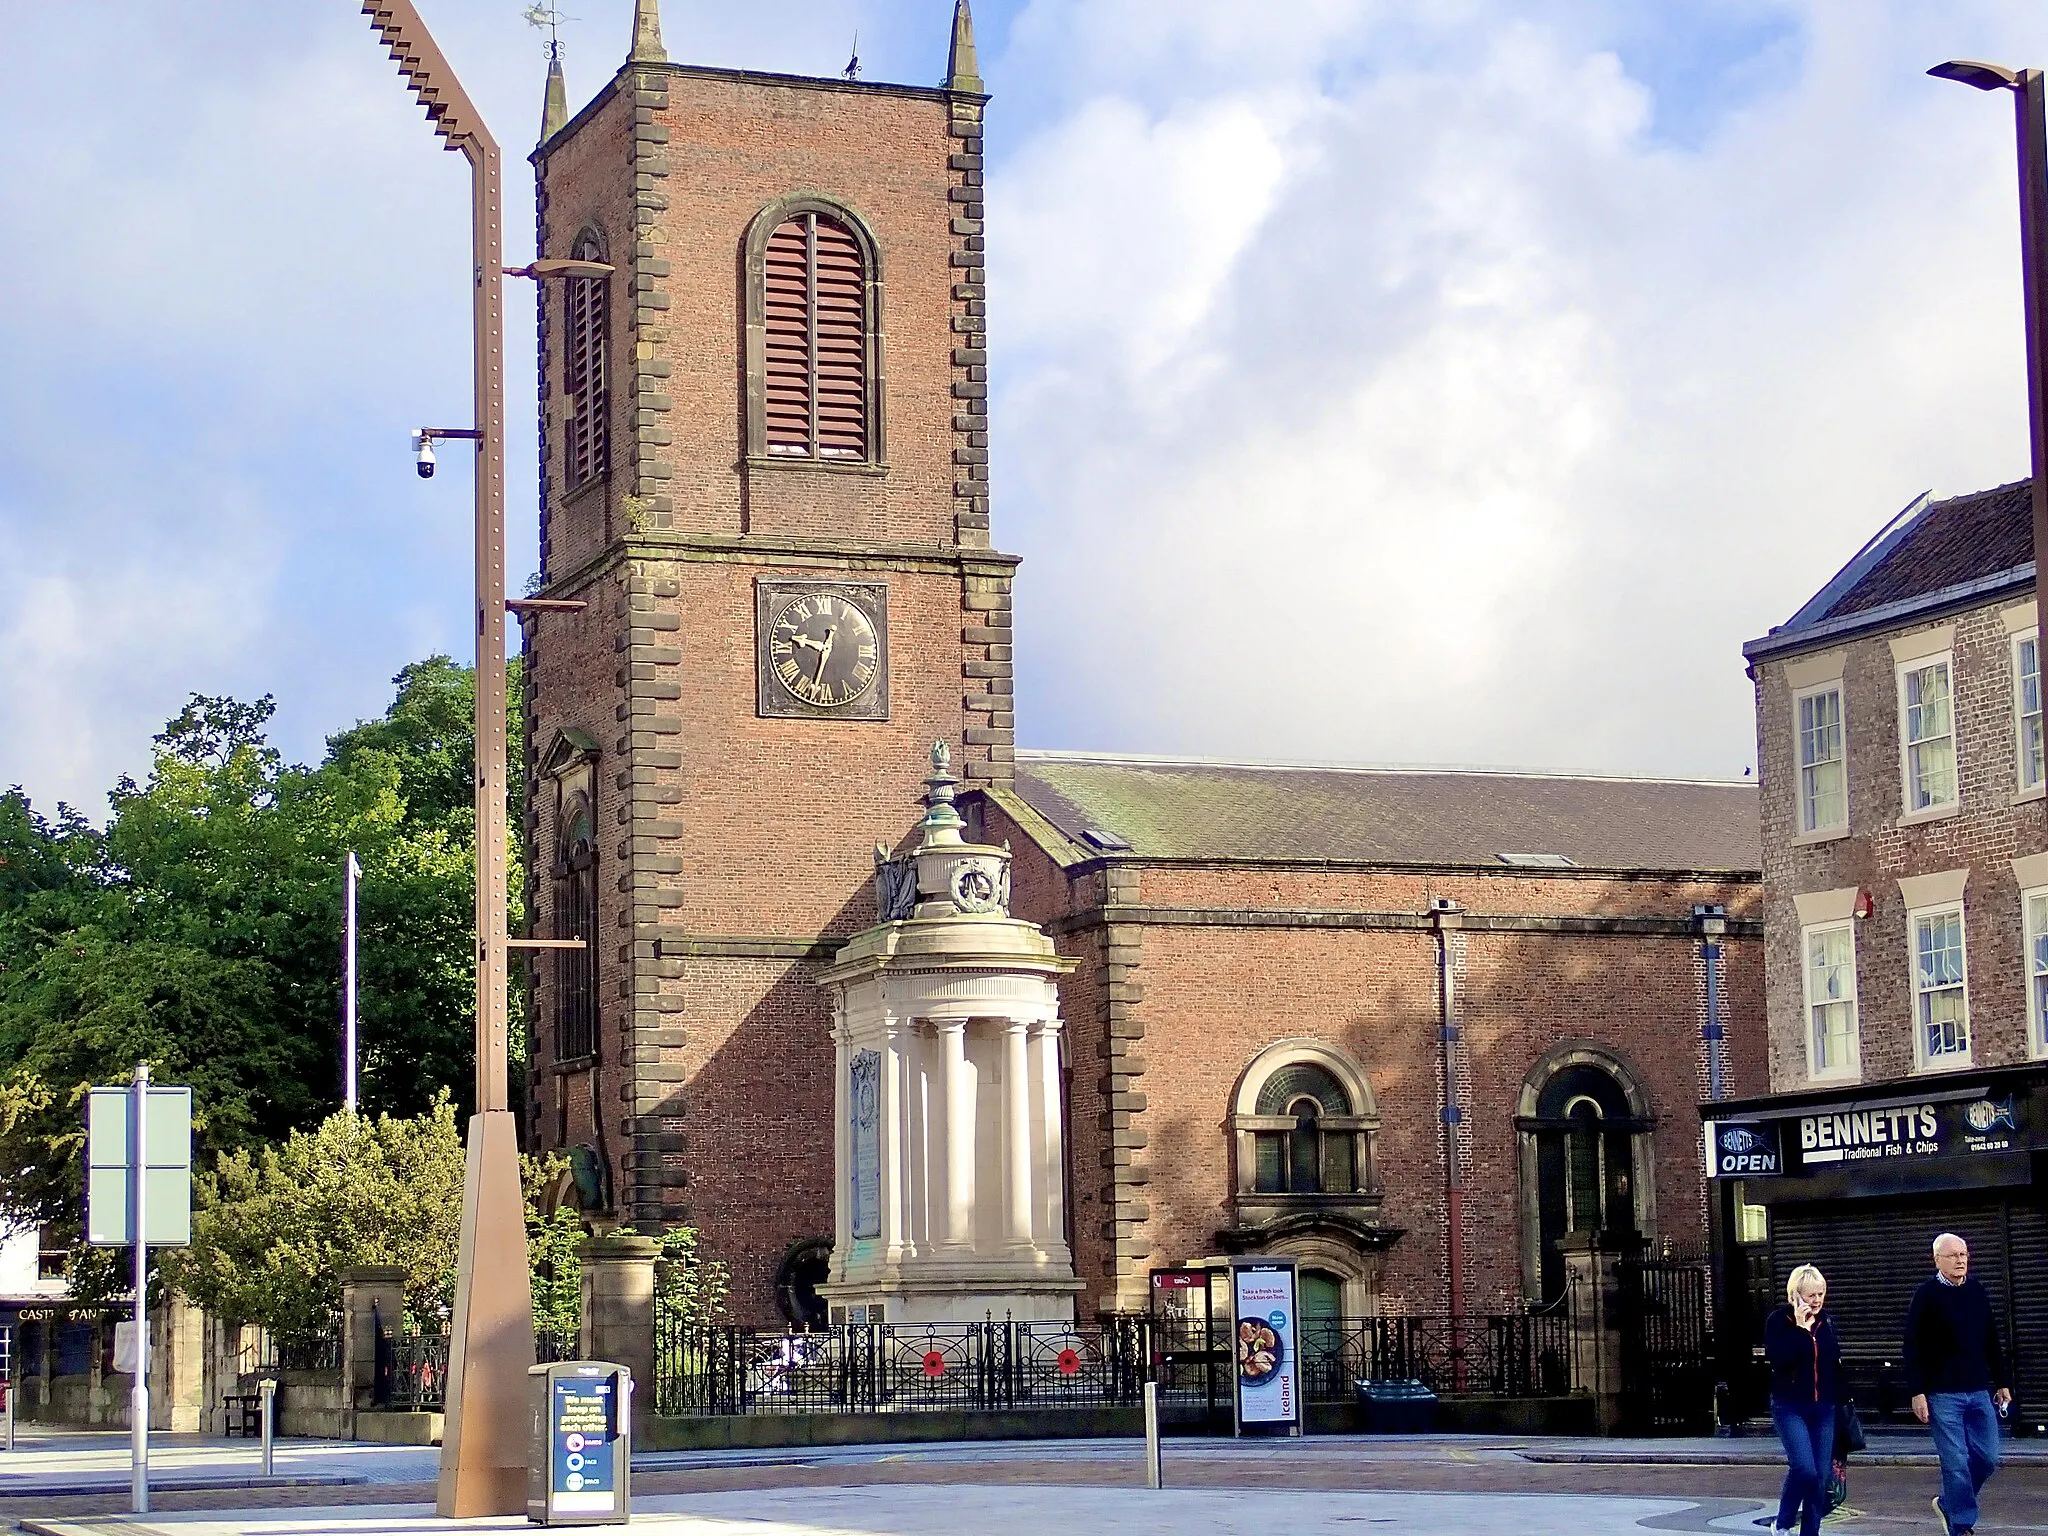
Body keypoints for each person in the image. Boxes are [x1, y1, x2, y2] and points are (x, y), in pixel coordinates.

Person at [1905, 1232, 2012, 1536]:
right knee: (1955, 1463)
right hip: (1941, 1394)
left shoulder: (1977, 1291)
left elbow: (1991, 1337)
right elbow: (1912, 1345)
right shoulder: (1926, 1295)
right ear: (1937, 1259)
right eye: (1953, 1255)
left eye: (1964, 1254)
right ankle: (1961, 1525)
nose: (1961, 1260)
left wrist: (2002, 1381)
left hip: (1978, 1389)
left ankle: (1950, 1504)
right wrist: (1917, 1391)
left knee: (1988, 1458)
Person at [1764, 1263, 1842, 1536]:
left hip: (1824, 1408)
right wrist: (1800, 1329)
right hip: (1789, 1406)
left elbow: (1834, 1364)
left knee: (1820, 1478)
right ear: (1794, 1295)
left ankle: (1811, 1533)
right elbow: (1779, 1359)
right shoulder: (1778, 1321)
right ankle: (1783, 1523)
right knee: (1804, 1469)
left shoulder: (1827, 1321)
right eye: (1810, 1295)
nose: (1817, 1300)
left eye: (1820, 1294)